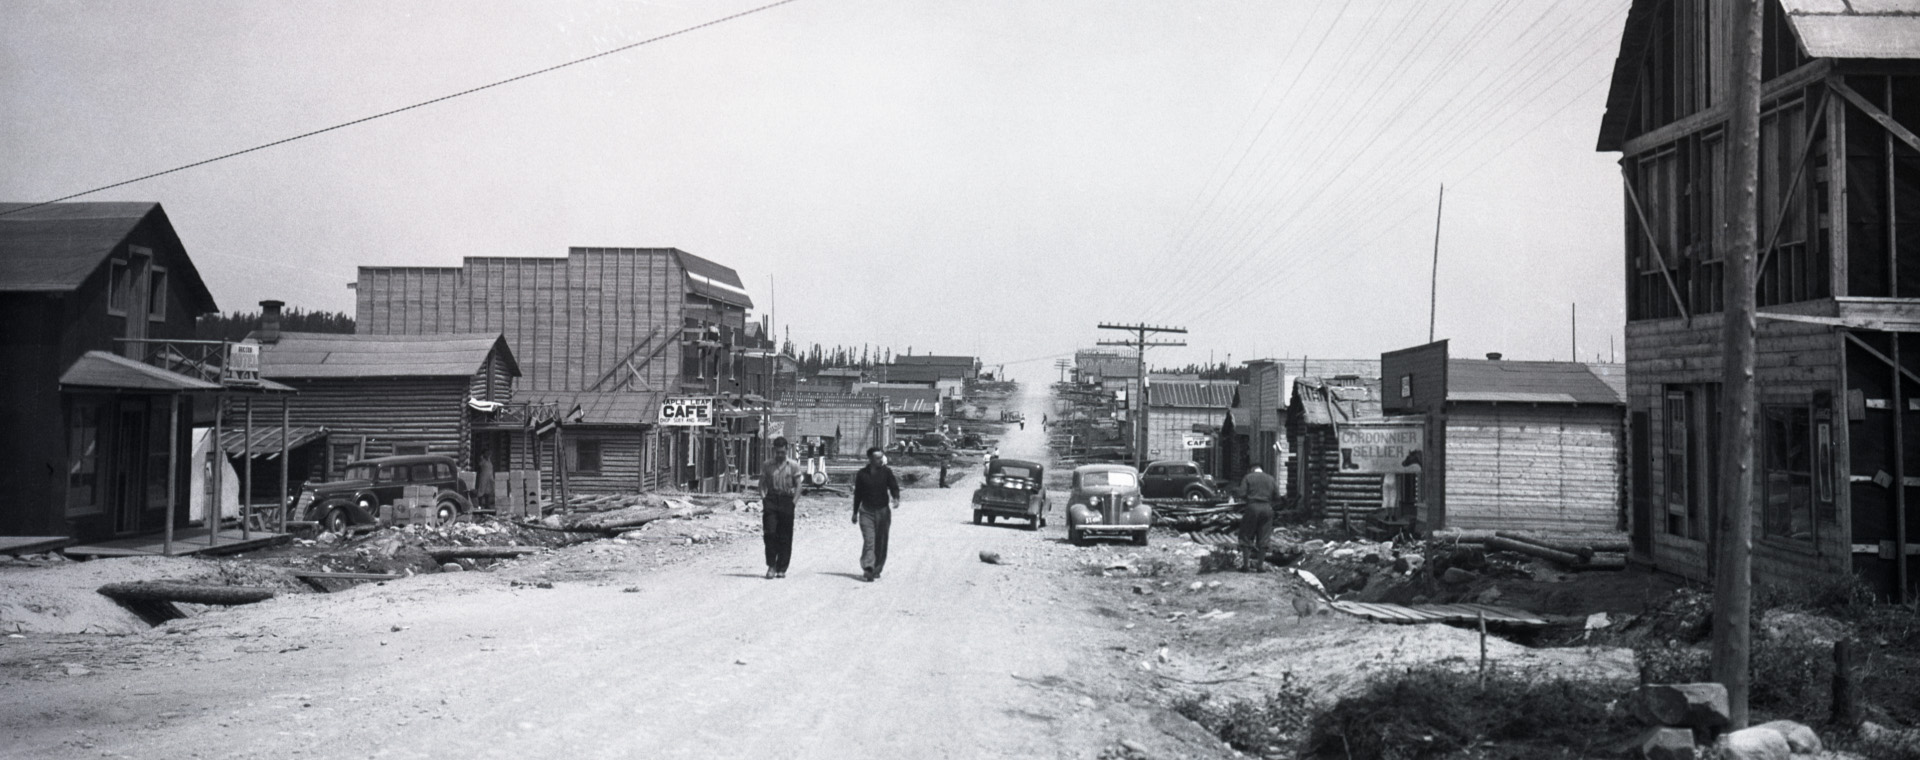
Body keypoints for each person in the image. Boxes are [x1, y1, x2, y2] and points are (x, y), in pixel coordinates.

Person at [850, 445, 901, 581]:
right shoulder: (862, 474)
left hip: (883, 511)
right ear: (870, 459)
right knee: (869, 540)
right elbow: (858, 494)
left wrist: (896, 498)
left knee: (881, 541)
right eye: (877, 458)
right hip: (866, 511)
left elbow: (894, 486)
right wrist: (855, 512)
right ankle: (868, 568)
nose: (880, 460)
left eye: (881, 457)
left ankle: (877, 568)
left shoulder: (886, 472)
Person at [758, 437, 804, 579]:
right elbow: (761, 484)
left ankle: (781, 567)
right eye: (777, 452)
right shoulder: (767, 465)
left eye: (782, 452)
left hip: (786, 501)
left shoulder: (793, 465)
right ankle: (771, 566)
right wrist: (764, 499)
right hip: (771, 500)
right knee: (770, 533)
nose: (780, 455)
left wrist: (793, 503)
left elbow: (799, 485)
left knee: (785, 535)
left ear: (787, 450)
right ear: (774, 451)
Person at [1233, 465, 1281, 572]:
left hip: (1252, 507)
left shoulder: (1248, 477)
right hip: (1267, 508)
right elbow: (1277, 496)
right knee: (1264, 536)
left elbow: (1242, 493)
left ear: (1252, 470)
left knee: (1246, 534)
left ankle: (1246, 566)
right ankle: (1260, 566)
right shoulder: (1271, 478)